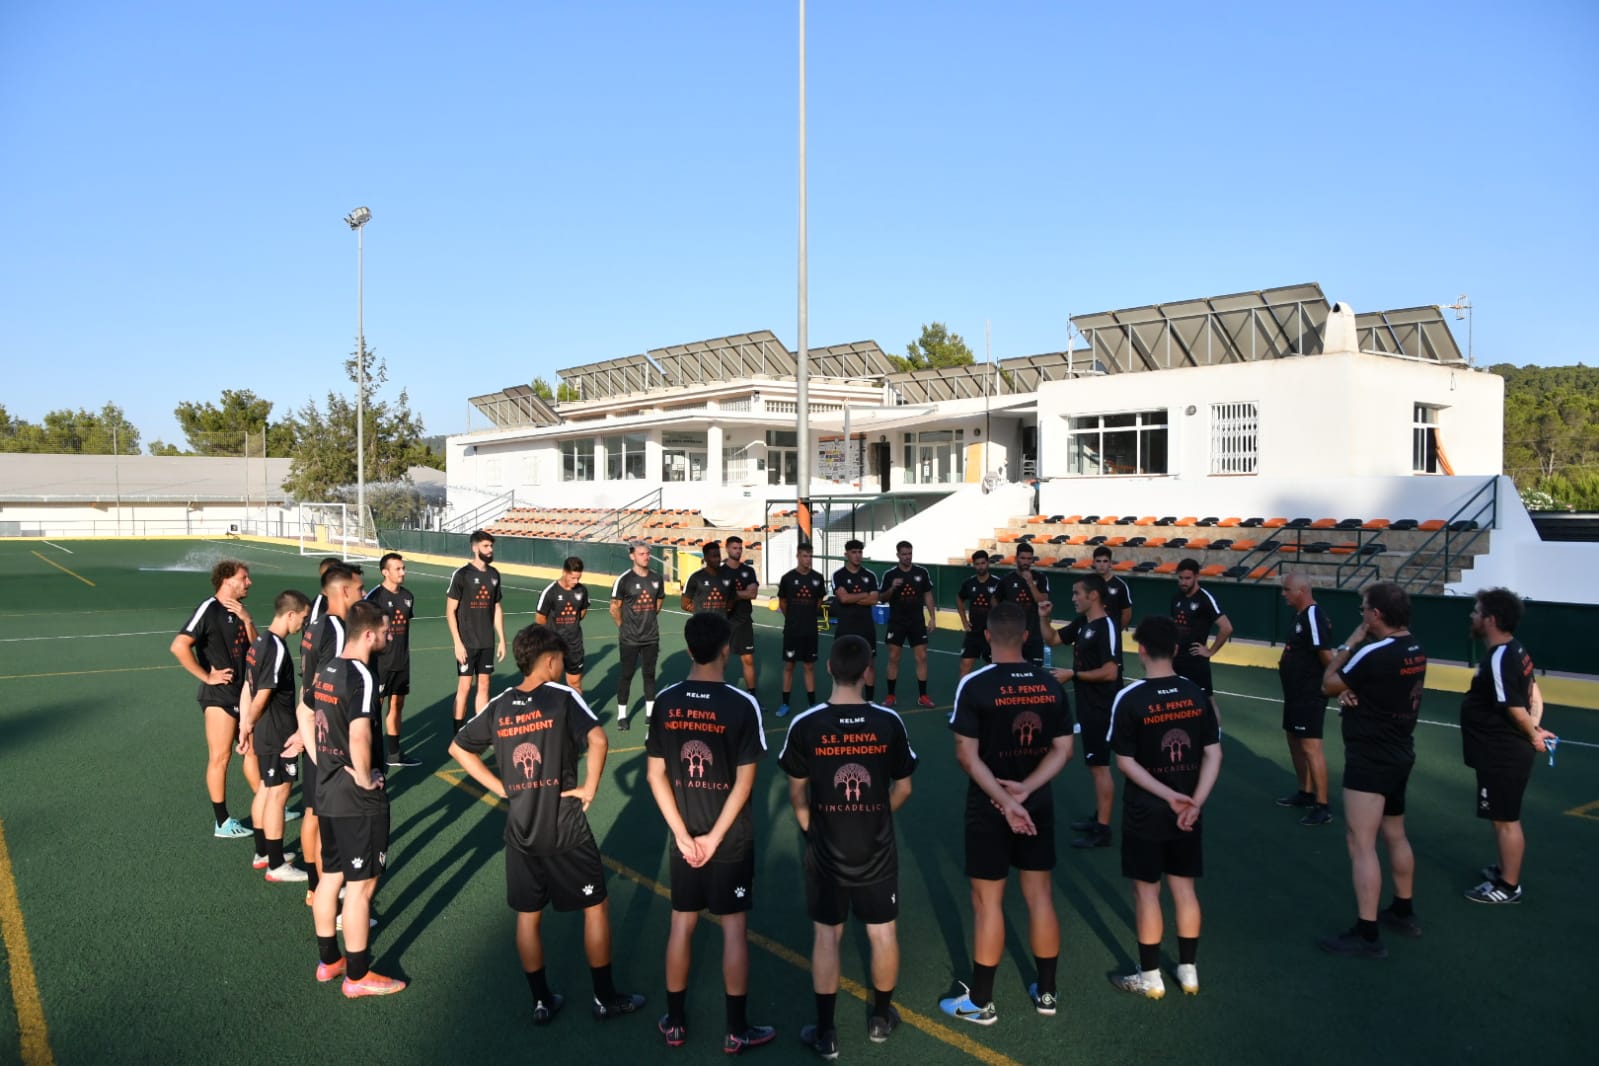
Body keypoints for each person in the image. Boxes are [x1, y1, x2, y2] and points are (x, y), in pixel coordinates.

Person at [448, 625, 646, 1024]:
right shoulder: (562, 696)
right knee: (595, 906)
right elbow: (600, 740)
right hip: (564, 827)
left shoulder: (502, 702)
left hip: (520, 829)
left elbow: (457, 747)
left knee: (528, 914)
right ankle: (604, 998)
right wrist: (589, 788)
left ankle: (541, 1001)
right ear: (550, 660)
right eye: (560, 659)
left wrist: (501, 788)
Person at [781, 635, 917, 1056]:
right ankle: (880, 1018)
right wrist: (876, 814)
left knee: (827, 936)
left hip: (825, 848)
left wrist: (811, 830)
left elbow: (798, 796)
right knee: (882, 932)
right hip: (875, 847)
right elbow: (905, 788)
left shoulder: (805, 724)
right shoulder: (888, 722)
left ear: (827, 670)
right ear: (868, 672)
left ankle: (826, 1032)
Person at [646, 612, 774, 1052]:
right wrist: (715, 838)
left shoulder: (666, 700)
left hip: (686, 838)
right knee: (734, 929)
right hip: (729, 838)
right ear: (727, 650)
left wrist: (683, 836)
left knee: (682, 923)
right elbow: (744, 782)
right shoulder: (742, 703)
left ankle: (675, 1022)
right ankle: (736, 1030)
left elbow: (655, 775)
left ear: (687, 649)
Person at [940, 602, 1073, 1025]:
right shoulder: (1050, 684)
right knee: (1039, 897)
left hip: (990, 803)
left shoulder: (975, 684)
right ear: (1028, 636)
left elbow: (966, 755)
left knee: (987, 903)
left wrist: (1004, 799)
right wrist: (1026, 792)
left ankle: (981, 1001)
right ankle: (1047, 993)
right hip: (1036, 803)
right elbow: (1063, 749)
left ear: (986, 637)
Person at [1105, 616, 1222, 999]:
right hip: (1189, 811)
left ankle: (1151, 975)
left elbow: (1124, 761)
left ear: (1140, 650)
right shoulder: (1194, 693)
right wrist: (1194, 802)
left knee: (1147, 892)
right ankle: (1188, 971)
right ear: (1174, 649)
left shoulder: (1130, 697)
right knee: (1184, 890)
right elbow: (1214, 754)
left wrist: (1168, 796)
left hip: (1146, 810)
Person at [1317, 582, 1427, 958]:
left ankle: (1367, 934)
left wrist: (1351, 642)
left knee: (1360, 842)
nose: (1361, 615)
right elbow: (1368, 687)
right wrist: (1354, 691)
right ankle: (1403, 910)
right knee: (1395, 833)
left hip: (1371, 755)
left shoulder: (1373, 651)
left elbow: (1328, 681)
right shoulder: (1414, 646)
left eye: (1364, 610)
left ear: (1376, 614)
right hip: (1400, 751)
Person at [302, 600, 404, 997]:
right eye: (385, 629)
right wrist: (364, 778)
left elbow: (304, 713)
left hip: (327, 790)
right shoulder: (361, 675)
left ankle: (329, 962)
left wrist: (321, 758)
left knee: (330, 878)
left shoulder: (327, 668)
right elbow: (360, 735)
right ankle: (358, 976)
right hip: (355, 800)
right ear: (368, 634)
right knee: (361, 888)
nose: (389, 635)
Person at [1460, 588, 1557, 904]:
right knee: (1501, 817)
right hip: (1501, 749)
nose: (1472, 616)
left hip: (1502, 753)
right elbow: (1533, 693)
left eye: (1476, 612)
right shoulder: (1514, 650)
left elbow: (1515, 707)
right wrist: (1536, 727)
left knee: (1505, 819)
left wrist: (1532, 735)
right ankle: (1504, 869)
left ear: (1491, 620)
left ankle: (1509, 886)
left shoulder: (1502, 656)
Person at [170, 559, 261, 839]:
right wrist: (207, 676)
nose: (249, 582)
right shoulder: (208, 609)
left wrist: (247, 619)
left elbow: (257, 647)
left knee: (255, 751)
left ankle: (268, 804)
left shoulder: (240, 611)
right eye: (244, 577)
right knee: (221, 757)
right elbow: (179, 645)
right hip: (219, 696)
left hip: (244, 694)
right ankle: (222, 822)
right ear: (227, 580)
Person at [1040, 574, 1124, 849]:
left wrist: (1072, 674)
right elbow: (1052, 639)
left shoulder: (1107, 626)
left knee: (1100, 767)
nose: (1073, 598)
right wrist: (1044, 617)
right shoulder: (1082, 623)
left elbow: (1111, 672)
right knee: (1094, 765)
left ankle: (1103, 829)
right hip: (1088, 705)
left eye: (1077, 593)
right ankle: (1099, 817)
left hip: (1103, 707)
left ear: (1094, 596)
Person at [298, 563, 364, 906]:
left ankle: (315, 886)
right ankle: (331, 894)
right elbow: (328, 684)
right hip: (330, 737)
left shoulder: (315, 625)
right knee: (330, 821)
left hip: (314, 729)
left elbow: (307, 683)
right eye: (359, 589)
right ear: (343, 592)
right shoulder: (337, 630)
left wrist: (303, 721)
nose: (363, 594)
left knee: (313, 811)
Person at [240, 588, 312, 882]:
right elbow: (263, 693)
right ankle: (277, 864)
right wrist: (247, 725)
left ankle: (263, 853)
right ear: (290, 614)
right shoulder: (278, 648)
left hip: (263, 730)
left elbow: (247, 686)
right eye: (302, 619)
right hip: (278, 732)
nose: (303, 625)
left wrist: (246, 725)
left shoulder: (258, 642)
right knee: (278, 793)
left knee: (266, 790)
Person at [1276, 574, 1335, 825]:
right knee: (1293, 738)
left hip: (1309, 693)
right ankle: (1305, 792)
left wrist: (1341, 686)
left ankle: (1323, 805)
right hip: (1294, 693)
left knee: (1311, 746)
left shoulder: (1313, 615)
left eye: (1287, 589)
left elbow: (1324, 653)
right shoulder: (1300, 616)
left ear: (1301, 591)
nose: (1283, 594)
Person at [447, 529, 507, 728]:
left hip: (487, 641)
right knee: (464, 687)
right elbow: (450, 611)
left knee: (484, 686)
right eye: (486, 546)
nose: (490, 550)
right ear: (475, 548)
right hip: (467, 642)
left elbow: (497, 607)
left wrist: (502, 640)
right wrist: (457, 643)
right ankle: (458, 733)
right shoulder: (462, 575)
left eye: (491, 546)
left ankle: (480, 730)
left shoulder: (494, 575)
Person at [365, 552, 419, 768]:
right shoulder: (374, 597)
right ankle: (370, 753)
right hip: (379, 664)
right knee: (374, 709)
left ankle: (394, 754)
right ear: (385, 572)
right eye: (398, 569)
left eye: (403, 568)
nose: (402, 572)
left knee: (397, 704)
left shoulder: (408, 596)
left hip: (401, 661)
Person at [1170, 559, 1232, 728]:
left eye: (1188, 578)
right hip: (1176, 661)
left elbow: (1226, 627)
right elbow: (1174, 625)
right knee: (1177, 701)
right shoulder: (1176, 598)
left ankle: (1215, 735)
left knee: (1207, 702)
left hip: (1196, 662)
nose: (1183, 582)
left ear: (1196, 576)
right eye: (1181, 578)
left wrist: (1210, 651)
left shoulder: (1205, 599)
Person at [611, 541, 666, 731]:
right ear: (632, 556)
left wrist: (648, 620)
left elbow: (658, 604)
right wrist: (623, 627)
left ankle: (650, 714)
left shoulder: (657, 578)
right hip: (629, 638)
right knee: (626, 675)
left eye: (647, 553)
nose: (646, 556)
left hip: (651, 636)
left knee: (649, 675)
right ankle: (622, 716)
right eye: (641, 554)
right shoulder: (624, 580)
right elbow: (614, 608)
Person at [879, 540, 937, 708]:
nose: (907, 557)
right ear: (898, 555)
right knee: (893, 657)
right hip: (897, 622)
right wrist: (892, 588)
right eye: (904, 554)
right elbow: (883, 598)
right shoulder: (890, 575)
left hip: (916, 621)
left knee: (922, 657)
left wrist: (932, 617)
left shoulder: (921, 572)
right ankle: (891, 696)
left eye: (909, 553)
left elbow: (928, 595)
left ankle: (923, 696)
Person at [777, 545, 828, 716]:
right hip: (792, 630)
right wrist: (792, 618)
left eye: (810, 556)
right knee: (789, 666)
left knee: (809, 667)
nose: (808, 559)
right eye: (805, 556)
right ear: (797, 556)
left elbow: (819, 601)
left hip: (810, 630)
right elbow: (782, 602)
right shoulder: (788, 578)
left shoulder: (817, 578)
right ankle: (785, 704)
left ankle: (812, 704)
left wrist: (807, 616)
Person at [831, 539, 881, 701]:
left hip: (866, 628)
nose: (857, 555)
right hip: (845, 628)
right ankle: (842, 698)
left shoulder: (869, 575)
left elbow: (874, 599)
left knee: (869, 665)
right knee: (841, 666)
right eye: (854, 552)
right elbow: (843, 599)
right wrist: (863, 594)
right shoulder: (838, 575)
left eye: (860, 552)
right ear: (846, 555)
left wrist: (852, 596)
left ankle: (870, 701)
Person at [536, 556, 591, 693]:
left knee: (575, 684)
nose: (576, 581)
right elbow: (540, 618)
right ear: (564, 572)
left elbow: (582, 612)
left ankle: (575, 712)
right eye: (573, 578)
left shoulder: (582, 590)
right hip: (554, 646)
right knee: (551, 684)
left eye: (578, 578)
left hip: (574, 645)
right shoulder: (550, 592)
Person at [722, 536, 762, 697]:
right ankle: (718, 694)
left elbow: (753, 593)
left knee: (748, 661)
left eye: (739, 548)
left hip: (744, 621)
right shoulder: (719, 571)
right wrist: (741, 594)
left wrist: (732, 594)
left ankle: (752, 696)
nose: (737, 551)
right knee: (721, 661)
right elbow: (719, 596)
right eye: (734, 548)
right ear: (727, 548)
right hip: (724, 622)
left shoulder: (748, 571)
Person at [997, 543, 1049, 664]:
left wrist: (1030, 583)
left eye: (1029, 559)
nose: (1026, 562)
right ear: (1016, 559)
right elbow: (995, 600)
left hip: (1034, 635)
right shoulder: (1007, 580)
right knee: (1011, 671)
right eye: (1023, 558)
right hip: (1012, 635)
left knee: (1035, 673)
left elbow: (1043, 601)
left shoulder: (1041, 578)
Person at [956, 550, 1004, 678]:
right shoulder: (969, 583)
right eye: (977, 564)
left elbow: (1004, 607)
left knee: (991, 669)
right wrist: (964, 621)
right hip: (973, 633)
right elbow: (959, 599)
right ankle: (963, 696)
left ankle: (989, 696)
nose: (980, 566)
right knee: (965, 666)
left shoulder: (998, 583)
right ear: (974, 565)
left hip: (992, 634)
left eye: (983, 563)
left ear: (988, 563)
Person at [681, 541, 733, 617]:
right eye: (713, 556)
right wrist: (701, 611)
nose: (717, 559)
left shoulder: (727, 577)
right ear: (705, 558)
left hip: (721, 624)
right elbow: (684, 604)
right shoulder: (695, 577)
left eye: (718, 556)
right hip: (701, 624)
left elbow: (731, 603)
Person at [1092, 546, 1133, 630]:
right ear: (1093, 563)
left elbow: (1127, 613)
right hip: (1091, 630)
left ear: (1110, 563)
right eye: (1098, 561)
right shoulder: (1087, 583)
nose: (1102, 564)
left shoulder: (1120, 585)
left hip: (1111, 632)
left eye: (1105, 561)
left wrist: (1115, 631)